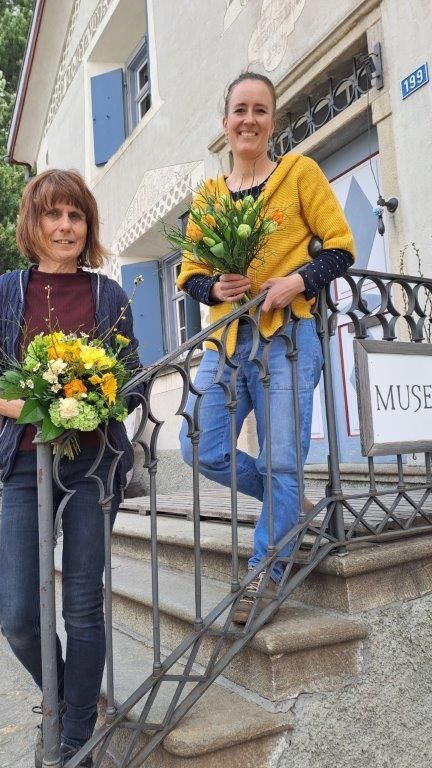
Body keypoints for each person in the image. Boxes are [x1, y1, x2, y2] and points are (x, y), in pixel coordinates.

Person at [0, 169, 140, 767]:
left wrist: (94, 400)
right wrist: (41, 405)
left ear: (86, 226)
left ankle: (77, 738)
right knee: (17, 615)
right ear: (33, 223)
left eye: (76, 216)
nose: (65, 226)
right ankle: (68, 701)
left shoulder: (109, 296)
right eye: (53, 215)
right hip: (25, 466)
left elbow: (133, 379)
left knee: (83, 606)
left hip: (94, 465)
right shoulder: (4, 292)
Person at [178, 72, 355, 624]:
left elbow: (341, 248)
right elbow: (190, 273)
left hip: (289, 338)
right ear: (225, 123)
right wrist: (213, 287)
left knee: (282, 459)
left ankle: (265, 573)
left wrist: (296, 282)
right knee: (198, 447)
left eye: (260, 110)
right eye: (239, 110)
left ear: (272, 121)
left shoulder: (300, 173)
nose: (249, 120)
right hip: (227, 342)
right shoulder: (209, 196)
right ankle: (292, 507)